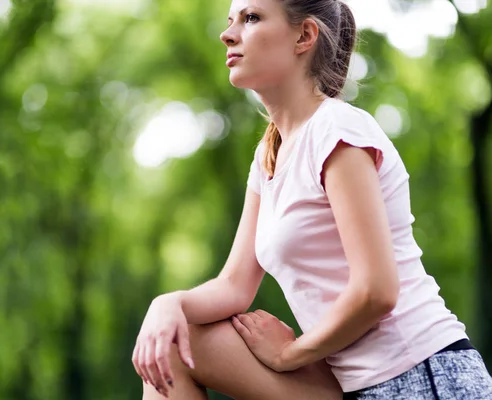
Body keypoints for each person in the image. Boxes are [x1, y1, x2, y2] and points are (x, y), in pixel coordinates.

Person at [131, 0, 492, 398]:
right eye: (230, 20)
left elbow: (377, 290)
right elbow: (233, 287)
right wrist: (168, 305)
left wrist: (290, 354)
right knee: (167, 346)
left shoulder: (337, 130)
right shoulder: (269, 156)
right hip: (352, 383)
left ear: (303, 36)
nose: (228, 33)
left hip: (420, 376)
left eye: (250, 18)